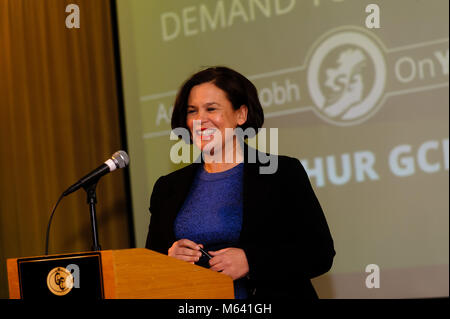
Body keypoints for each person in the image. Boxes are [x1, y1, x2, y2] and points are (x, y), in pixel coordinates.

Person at [145, 66, 335, 299]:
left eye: (211, 109)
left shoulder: (282, 174)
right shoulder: (167, 187)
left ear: (241, 115)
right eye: (192, 111)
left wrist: (251, 261)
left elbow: (319, 253)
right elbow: (147, 268)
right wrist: (168, 260)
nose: (199, 120)